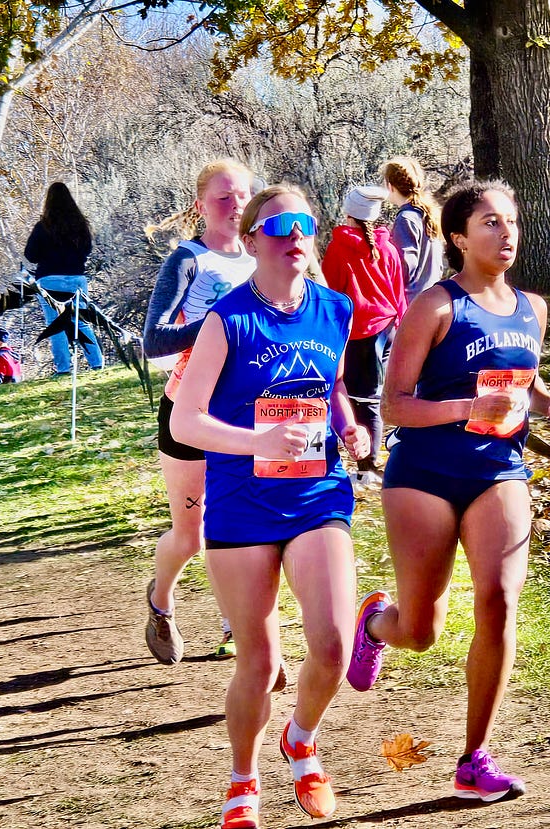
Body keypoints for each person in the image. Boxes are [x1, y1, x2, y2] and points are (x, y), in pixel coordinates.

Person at [171, 184, 371, 827]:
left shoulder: (335, 309)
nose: (294, 236)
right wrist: (255, 440)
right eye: (279, 225)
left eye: (304, 224)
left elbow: (333, 387)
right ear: (253, 239)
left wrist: (349, 427)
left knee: (335, 643)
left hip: (316, 494)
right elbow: (185, 420)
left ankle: (302, 739)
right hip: (240, 505)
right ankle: (243, 777)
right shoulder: (228, 320)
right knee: (257, 662)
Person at [347, 180, 550, 802]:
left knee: (498, 601)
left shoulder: (533, 309)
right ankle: (378, 626)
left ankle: (474, 758)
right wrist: (467, 406)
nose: (506, 233)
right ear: (459, 237)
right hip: (425, 479)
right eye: (490, 222)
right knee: (423, 629)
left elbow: (525, 390)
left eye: (510, 222)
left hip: (499, 472)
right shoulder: (435, 307)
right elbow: (396, 405)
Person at [142, 159, 258, 665]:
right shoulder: (188, 260)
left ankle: (240, 626)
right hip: (189, 408)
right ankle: (160, 598)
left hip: (248, 413)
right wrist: (218, 323)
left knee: (240, 523)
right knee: (190, 534)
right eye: (222, 198)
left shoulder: (267, 256)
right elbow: (154, 341)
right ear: (200, 206)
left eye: (242, 196)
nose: (234, 207)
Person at [322, 185, 406, 483]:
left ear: (349, 214)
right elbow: (399, 294)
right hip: (388, 328)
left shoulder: (338, 248)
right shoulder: (389, 247)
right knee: (373, 395)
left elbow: (331, 292)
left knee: (360, 397)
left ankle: (367, 467)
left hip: (358, 334)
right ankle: (368, 458)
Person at [23, 182, 103, 373]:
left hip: (49, 279)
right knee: (80, 321)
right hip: (76, 278)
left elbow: (30, 255)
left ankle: (63, 368)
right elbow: (87, 250)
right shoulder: (81, 226)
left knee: (55, 325)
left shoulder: (43, 227)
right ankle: (97, 363)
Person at [381, 156, 444, 303]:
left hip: (413, 304)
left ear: (390, 186)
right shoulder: (427, 214)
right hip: (433, 297)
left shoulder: (406, 219)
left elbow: (405, 268)